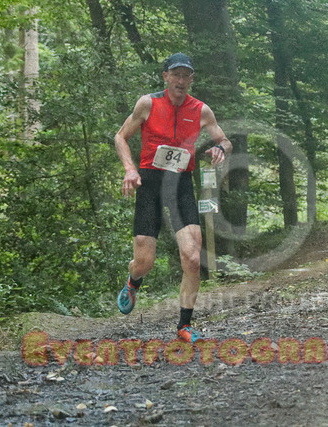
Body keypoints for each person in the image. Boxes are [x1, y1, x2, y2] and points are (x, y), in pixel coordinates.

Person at [114, 53, 232, 343]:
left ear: (192, 79)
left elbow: (224, 140)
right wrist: (130, 169)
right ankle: (133, 280)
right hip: (150, 182)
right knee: (144, 261)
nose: (180, 80)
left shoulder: (201, 110)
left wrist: (221, 149)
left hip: (180, 184)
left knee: (192, 258)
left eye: (185, 75)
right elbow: (120, 137)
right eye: (175, 74)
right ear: (165, 76)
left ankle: (184, 325)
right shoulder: (148, 104)